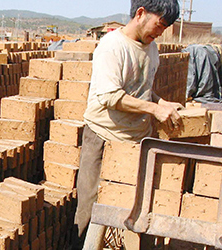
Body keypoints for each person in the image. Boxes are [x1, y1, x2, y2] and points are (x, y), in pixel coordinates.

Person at [73, 0, 182, 249]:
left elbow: (142, 90)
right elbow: (110, 96)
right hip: (103, 137)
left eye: (165, 28)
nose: (160, 32)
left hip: (136, 140)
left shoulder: (150, 47)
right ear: (141, 14)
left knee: (129, 207)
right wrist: (154, 109)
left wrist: (162, 102)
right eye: (159, 25)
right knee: (90, 208)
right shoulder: (112, 47)